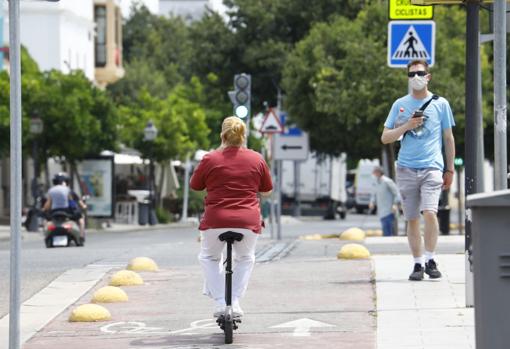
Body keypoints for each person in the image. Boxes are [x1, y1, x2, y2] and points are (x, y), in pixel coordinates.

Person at [190, 116, 273, 318]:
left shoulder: (210, 158)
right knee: (245, 258)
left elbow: (195, 185)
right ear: (243, 135)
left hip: (215, 220)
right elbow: (267, 190)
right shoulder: (256, 158)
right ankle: (234, 301)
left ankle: (220, 302)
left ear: (222, 135)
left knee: (209, 257)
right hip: (247, 221)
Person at [381, 59, 455, 281]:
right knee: (412, 218)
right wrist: (406, 126)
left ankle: (431, 258)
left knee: (430, 212)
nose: (416, 78)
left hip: (432, 167)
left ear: (428, 76)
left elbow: (448, 138)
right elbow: (385, 137)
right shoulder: (399, 105)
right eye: (411, 74)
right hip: (405, 168)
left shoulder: (441, 104)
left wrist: (449, 169)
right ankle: (417, 264)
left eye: (420, 73)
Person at [43, 172, 87, 241]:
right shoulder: (68, 190)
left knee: (46, 221)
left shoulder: (51, 190)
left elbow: (47, 205)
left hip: (54, 212)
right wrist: (79, 208)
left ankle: (46, 237)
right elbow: (72, 202)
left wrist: (44, 210)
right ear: (65, 181)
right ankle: (81, 237)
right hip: (66, 211)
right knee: (81, 220)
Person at [369, 166, 400, 237]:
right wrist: (372, 202)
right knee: (384, 229)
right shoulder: (376, 182)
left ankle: (390, 243)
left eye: (375, 172)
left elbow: (397, 193)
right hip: (381, 209)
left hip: (389, 210)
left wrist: (395, 204)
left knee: (388, 229)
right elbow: (373, 194)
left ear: (379, 172)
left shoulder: (387, 181)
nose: (374, 174)